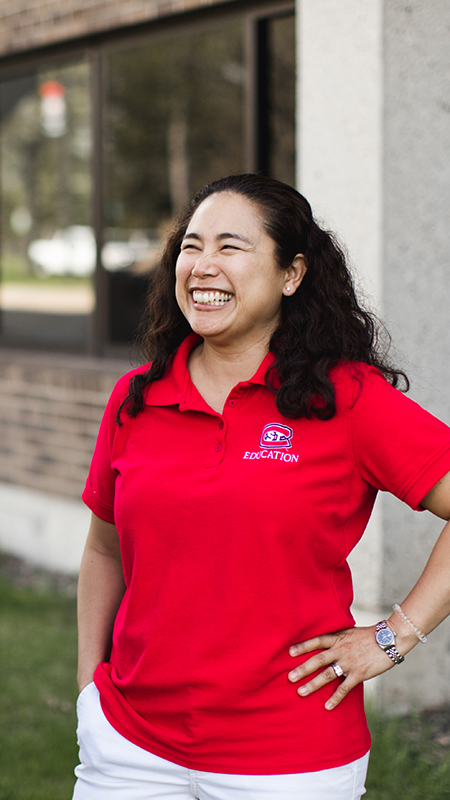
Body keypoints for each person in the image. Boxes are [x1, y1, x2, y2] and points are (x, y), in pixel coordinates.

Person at [73, 173, 450, 800]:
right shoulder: (137, 399)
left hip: (289, 757)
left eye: (230, 246)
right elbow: (103, 550)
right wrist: (91, 683)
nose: (202, 265)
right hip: (129, 746)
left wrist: (394, 636)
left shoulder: (346, 398)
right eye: (190, 246)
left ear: (291, 274)